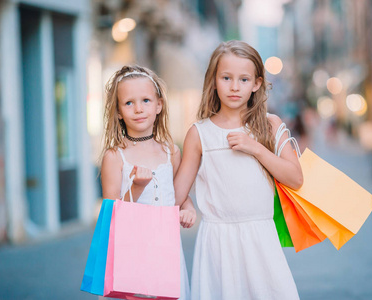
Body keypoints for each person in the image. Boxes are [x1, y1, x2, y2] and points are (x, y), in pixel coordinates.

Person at [174, 40, 303, 300]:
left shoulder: (270, 125)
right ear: (213, 80)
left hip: (261, 238)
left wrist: (255, 147)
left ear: (256, 83)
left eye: (244, 79)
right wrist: (186, 204)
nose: (234, 87)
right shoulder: (199, 134)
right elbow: (176, 194)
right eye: (226, 78)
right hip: (217, 241)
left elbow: (295, 178)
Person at [100, 65, 196, 300]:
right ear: (119, 111)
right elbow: (109, 215)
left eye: (145, 100)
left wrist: (188, 208)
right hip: (132, 251)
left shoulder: (171, 152)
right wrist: (136, 187)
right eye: (129, 103)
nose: (139, 109)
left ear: (159, 105)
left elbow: (178, 193)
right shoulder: (114, 156)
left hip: (167, 250)